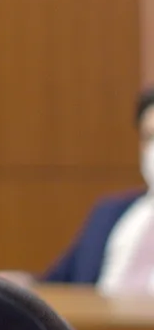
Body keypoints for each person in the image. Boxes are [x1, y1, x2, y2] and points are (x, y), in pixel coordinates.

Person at [39, 88, 154, 290]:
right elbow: (57, 282)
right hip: (88, 321)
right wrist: (19, 286)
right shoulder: (109, 211)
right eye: (149, 138)